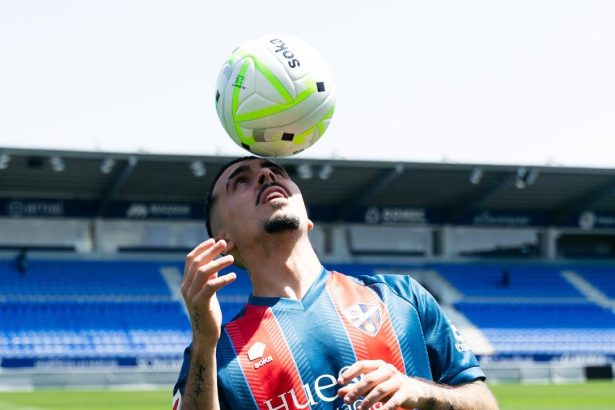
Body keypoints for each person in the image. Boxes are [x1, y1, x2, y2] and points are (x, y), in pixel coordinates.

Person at [173, 156, 498, 410]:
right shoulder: (214, 352)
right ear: (222, 239)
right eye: (240, 181)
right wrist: (204, 341)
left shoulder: (401, 297)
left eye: (276, 171)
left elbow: (484, 402)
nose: (267, 176)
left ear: (308, 217)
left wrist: (418, 391)